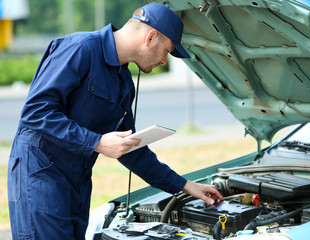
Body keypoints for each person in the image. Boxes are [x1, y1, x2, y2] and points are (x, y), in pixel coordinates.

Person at [7, 3, 223, 240]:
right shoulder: (80, 48)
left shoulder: (123, 82)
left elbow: (133, 150)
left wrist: (184, 185)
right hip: (40, 178)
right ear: (150, 37)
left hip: (77, 184)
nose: (164, 61)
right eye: (167, 51)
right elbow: (35, 112)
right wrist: (97, 142)